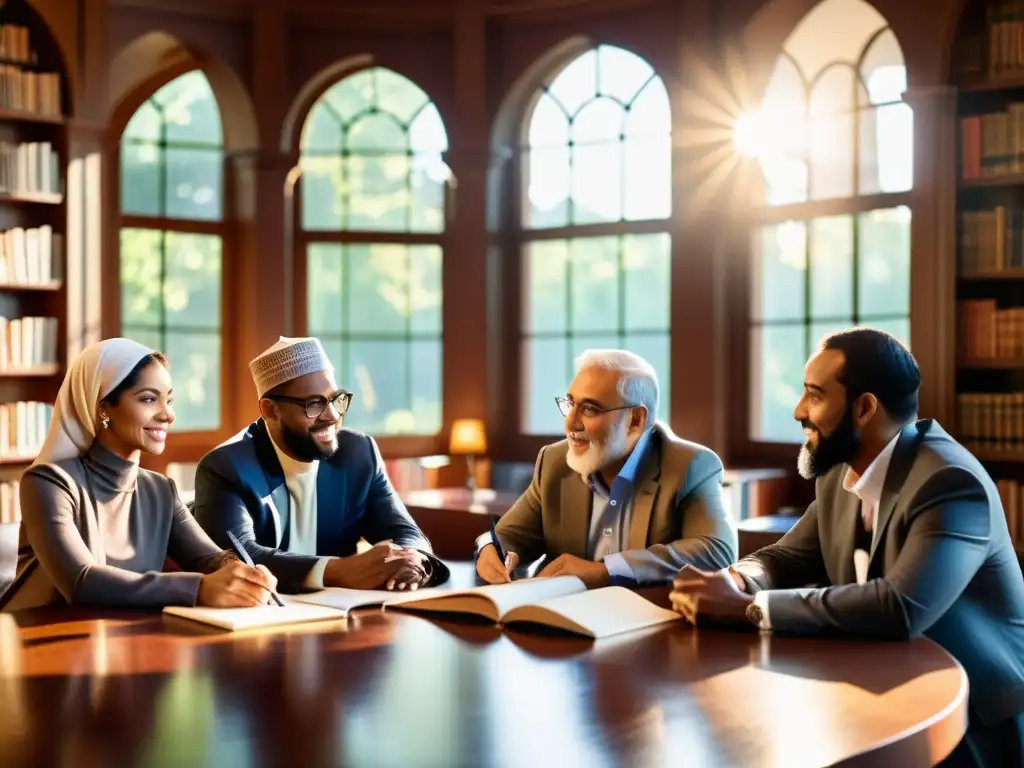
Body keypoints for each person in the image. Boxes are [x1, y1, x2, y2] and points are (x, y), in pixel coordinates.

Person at [669, 328, 1024, 766]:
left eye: (814, 395)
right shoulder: (840, 473)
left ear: (864, 407)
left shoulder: (949, 481)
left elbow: (900, 606)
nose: (799, 411)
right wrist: (737, 578)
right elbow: (786, 557)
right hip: (879, 687)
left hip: (969, 718)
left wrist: (748, 607)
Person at [2, 338, 277, 612]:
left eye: (169, 400)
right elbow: (80, 581)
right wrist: (201, 588)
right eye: (149, 399)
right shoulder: (47, 482)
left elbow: (208, 557)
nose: (168, 415)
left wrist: (239, 570)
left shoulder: (160, 489)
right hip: (32, 642)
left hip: (117, 639)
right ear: (102, 408)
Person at [193, 336, 449, 594]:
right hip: (258, 618)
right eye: (314, 404)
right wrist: (337, 571)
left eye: (336, 399)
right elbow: (235, 557)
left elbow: (405, 531)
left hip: (341, 618)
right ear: (271, 411)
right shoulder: (226, 466)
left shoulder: (358, 454)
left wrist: (412, 561)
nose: (333, 416)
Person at [476, 349, 736, 587]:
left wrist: (606, 570)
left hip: (649, 623)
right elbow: (509, 535)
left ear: (635, 420)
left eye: (589, 409)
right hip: (564, 621)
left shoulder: (691, 465)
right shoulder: (554, 461)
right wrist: (489, 548)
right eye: (569, 404)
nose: (571, 423)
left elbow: (717, 550)